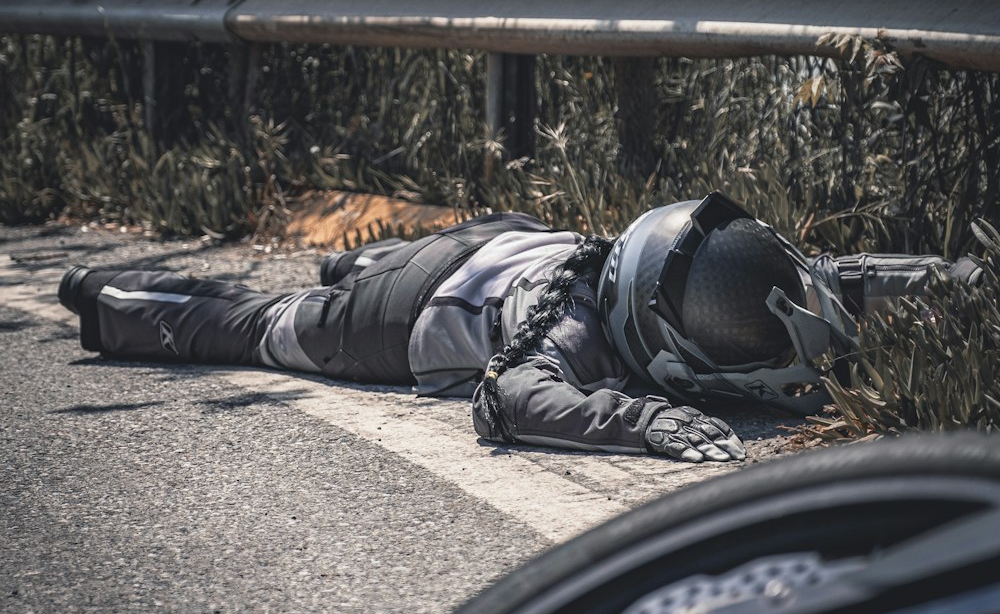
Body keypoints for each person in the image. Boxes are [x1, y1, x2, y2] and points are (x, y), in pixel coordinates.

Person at [56, 192, 982, 466]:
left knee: (348, 269)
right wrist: (647, 423)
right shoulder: (578, 334)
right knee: (258, 326)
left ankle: (350, 262)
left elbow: (838, 279)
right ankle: (104, 298)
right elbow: (511, 396)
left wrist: (961, 279)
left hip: (504, 240)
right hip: (404, 316)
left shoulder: (714, 268)